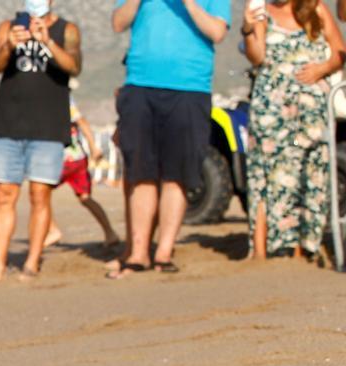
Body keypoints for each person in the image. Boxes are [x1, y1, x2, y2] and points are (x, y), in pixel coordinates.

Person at [109, 0, 230, 278]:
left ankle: (164, 251)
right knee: (141, 171)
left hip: (190, 86)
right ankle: (138, 253)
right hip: (140, 84)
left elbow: (217, 32)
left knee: (178, 172)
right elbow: (118, 23)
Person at [0, 0, 82, 287]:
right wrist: (8, 45)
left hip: (48, 125)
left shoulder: (66, 29)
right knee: (5, 195)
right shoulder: (8, 26)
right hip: (9, 123)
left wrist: (47, 41)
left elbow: (74, 66)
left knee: (39, 195)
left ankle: (32, 261)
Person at [244, 0, 343, 260]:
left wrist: (321, 68)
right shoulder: (262, 11)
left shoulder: (315, 8)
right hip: (271, 110)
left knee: (311, 175)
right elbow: (257, 58)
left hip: (311, 113)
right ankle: (263, 250)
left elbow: (339, 52)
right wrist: (248, 28)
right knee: (268, 175)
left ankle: (303, 248)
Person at [47, 94, 120, 250]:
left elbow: (82, 122)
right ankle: (110, 233)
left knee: (40, 194)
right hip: (78, 158)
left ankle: (52, 230)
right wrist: (93, 148)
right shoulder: (63, 97)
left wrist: (94, 147)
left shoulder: (57, 98)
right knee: (85, 198)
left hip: (63, 159)